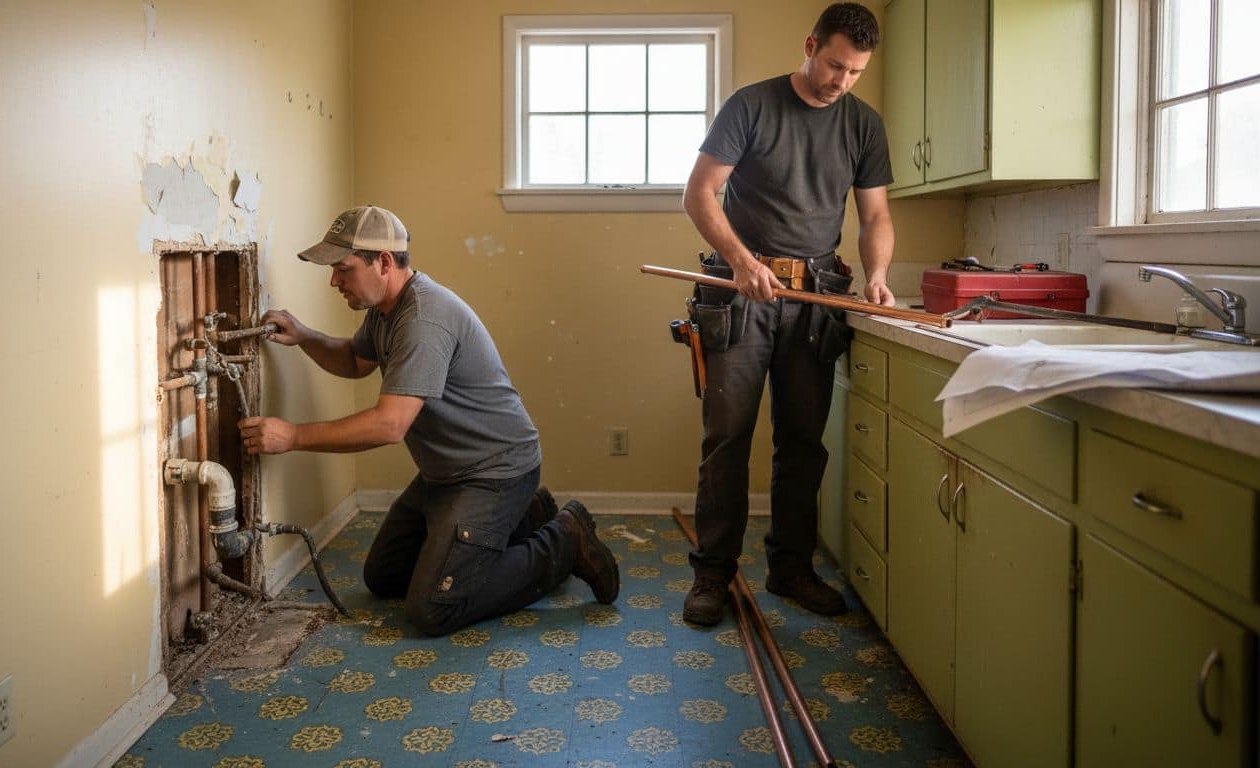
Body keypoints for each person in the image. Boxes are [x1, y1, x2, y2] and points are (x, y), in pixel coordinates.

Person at [238, 205, 619, 636]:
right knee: (383, 577)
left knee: (434, 608)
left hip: (494, 471)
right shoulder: (386, 310)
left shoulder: (423, 319)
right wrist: (305, 336)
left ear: (383, 262)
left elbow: (389, 425)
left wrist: (292, 436)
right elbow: (355, 360)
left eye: (343, 269)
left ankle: (564, 541)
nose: (334, 281)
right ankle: (529, 516)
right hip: (446, 475)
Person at [679, 2, 895, 626]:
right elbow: (699, 194)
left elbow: (876, 216)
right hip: (741, 293)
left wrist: (877, 275)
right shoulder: (751, 105)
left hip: (815, 297)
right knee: (728, 439)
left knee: (802, 441)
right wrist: (742, 261)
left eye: (855, 72)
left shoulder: (863, 124)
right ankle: (713, 576)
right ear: (810, 46)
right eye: (834, 65)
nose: (841, 81)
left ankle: (790, 569)